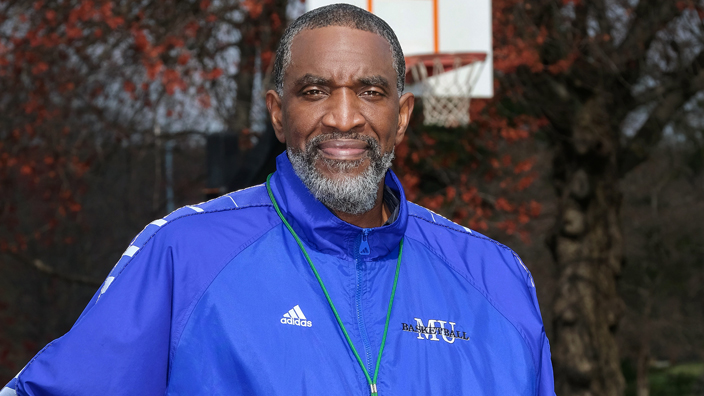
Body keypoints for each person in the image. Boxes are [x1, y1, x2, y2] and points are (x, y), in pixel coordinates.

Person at [1, 4, 555, 396]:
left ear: (402, 116)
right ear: (276, 112)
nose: (343, 118)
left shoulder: (496, 278)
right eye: (314, 92)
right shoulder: (184, 255)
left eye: (370, 91)